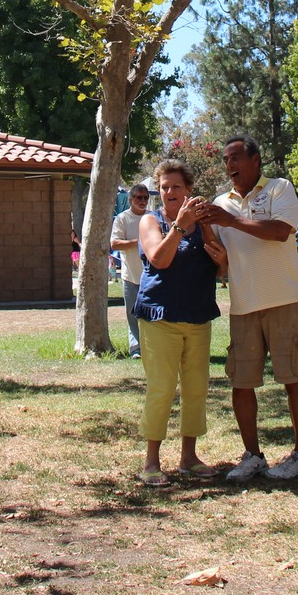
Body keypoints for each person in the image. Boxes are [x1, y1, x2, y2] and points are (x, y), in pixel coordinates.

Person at [202, 136, 298, 481]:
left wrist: (231, 221)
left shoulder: (280, 189)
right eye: (225, 160)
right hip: (243, 305)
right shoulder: (221, 203)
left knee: (293, 379)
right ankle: (253, 456)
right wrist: (209, 235)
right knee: (242, 382)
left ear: (255, 160)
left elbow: (281, 232)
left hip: (285, 300)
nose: (229, 166)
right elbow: (219, 259)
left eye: (235, 158)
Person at [133, 160, 227, 485]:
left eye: (176, 187)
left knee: (196, 389)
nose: (169, 192)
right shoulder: (150, 221)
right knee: (161, 388)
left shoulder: (202, 223)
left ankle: (189, 457)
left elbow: (221, 268)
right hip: (160, 316)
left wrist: (222, 259)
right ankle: (151, 462)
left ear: (188, 190)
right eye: (164, 187)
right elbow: (159, 259)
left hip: (199, 316)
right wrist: (180, 226)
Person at [111, 183, 151, 359]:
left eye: (145, 198)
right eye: (138, 197)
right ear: (131, 199)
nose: (142, 201)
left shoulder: (153, 217)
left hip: (152, 276)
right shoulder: (122, 218)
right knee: (132, 314)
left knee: (152, 313)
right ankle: (135, 349)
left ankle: (152, 347)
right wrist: (139, 241)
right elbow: (115, 243)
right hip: (129, 276)